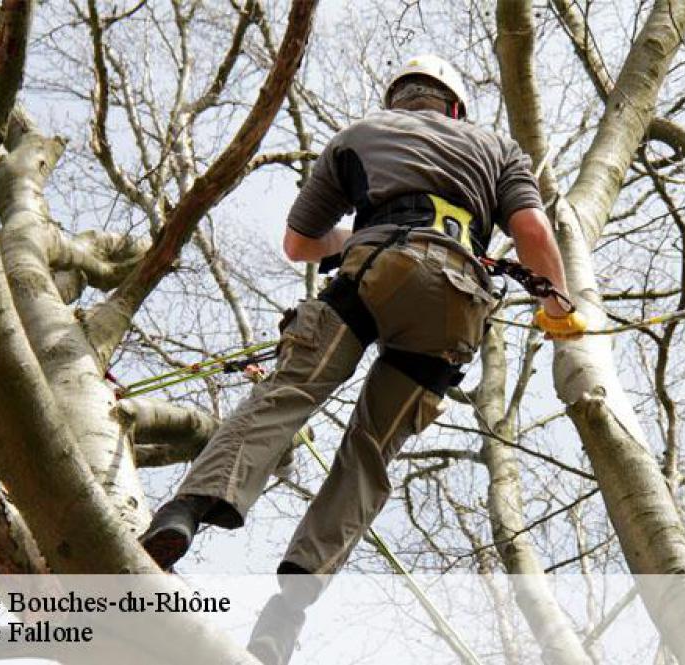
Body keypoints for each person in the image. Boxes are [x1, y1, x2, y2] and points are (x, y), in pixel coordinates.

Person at [139, 54, 586, 664]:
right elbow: (532, 232)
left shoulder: (359, 137)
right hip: (456, 302)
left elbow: (299, 244)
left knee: (288, 394)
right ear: (454, 106)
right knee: (372, 450)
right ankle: (289, 609)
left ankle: (185, 511)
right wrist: (559, 308)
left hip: (375, 272)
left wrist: (355, 237)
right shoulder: (496, 148)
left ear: (399, 99)